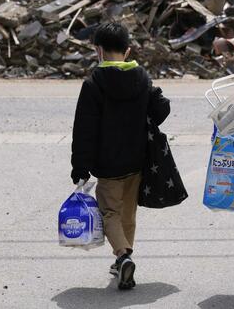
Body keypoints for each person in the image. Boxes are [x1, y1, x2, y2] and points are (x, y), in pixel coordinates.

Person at [71, 21, 170, 291]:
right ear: (127, 51)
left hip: (108, 164)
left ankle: (122, 256)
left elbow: (84, 129)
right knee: (128, 212)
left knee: (110, 212)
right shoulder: (141, 77)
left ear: (99, 51)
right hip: (137, 160)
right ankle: (124, 257)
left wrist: (79, 166)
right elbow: (161, 110)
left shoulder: (93, 83)